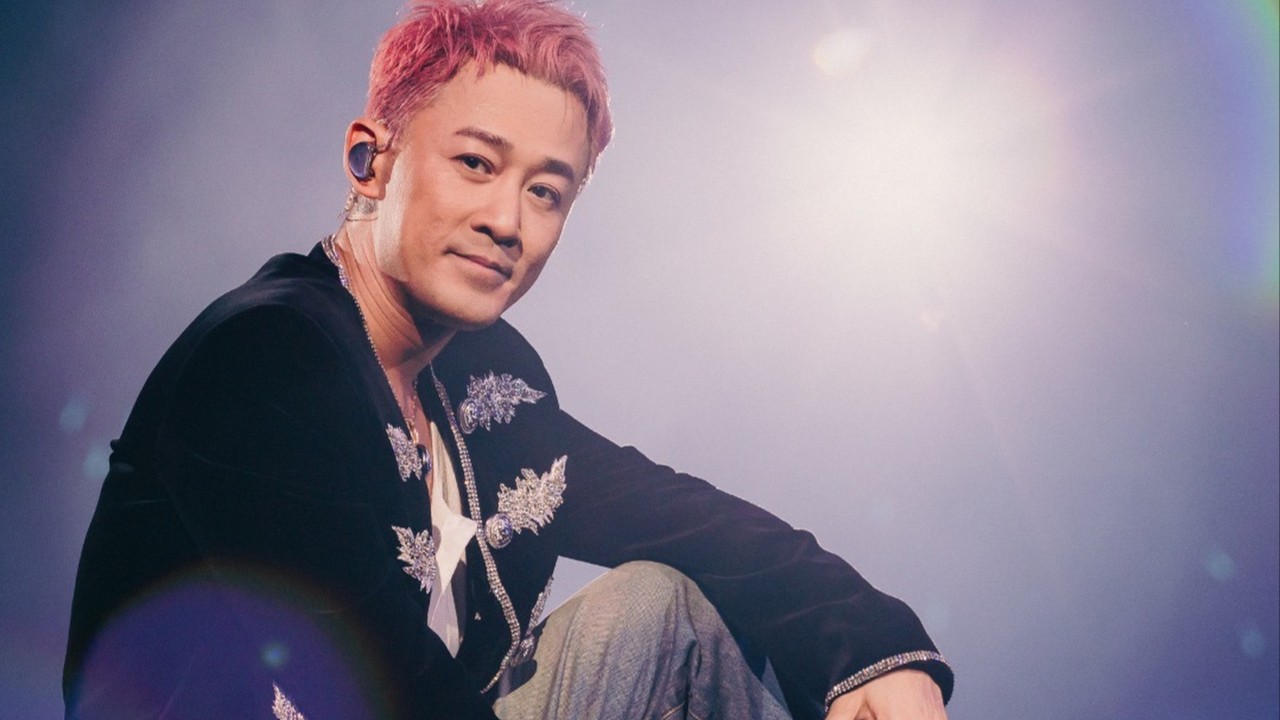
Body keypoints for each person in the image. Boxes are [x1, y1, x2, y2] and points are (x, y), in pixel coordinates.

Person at [63, 1, 954, 718]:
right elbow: (374, 690)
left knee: (665, 604)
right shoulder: (267, 358)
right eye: (476, 164)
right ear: (372, 160)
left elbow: (680, 519)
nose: (507, 221)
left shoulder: (485, 381)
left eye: (546, 191)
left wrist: (875, 647)